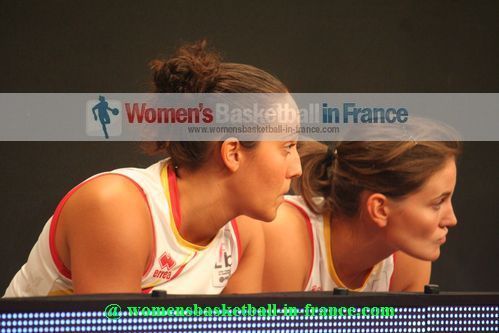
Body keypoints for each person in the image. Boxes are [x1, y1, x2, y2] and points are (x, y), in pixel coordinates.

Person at [3, 40, 302, 297]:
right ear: (233, 152)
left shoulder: (245, 234)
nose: (297, 168)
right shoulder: (115, 207)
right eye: (287, 147)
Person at [261, 125, 461, 292]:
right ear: (380, 209)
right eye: (437, 203)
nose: (451, 220)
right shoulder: (285, 235)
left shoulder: (410, 259)